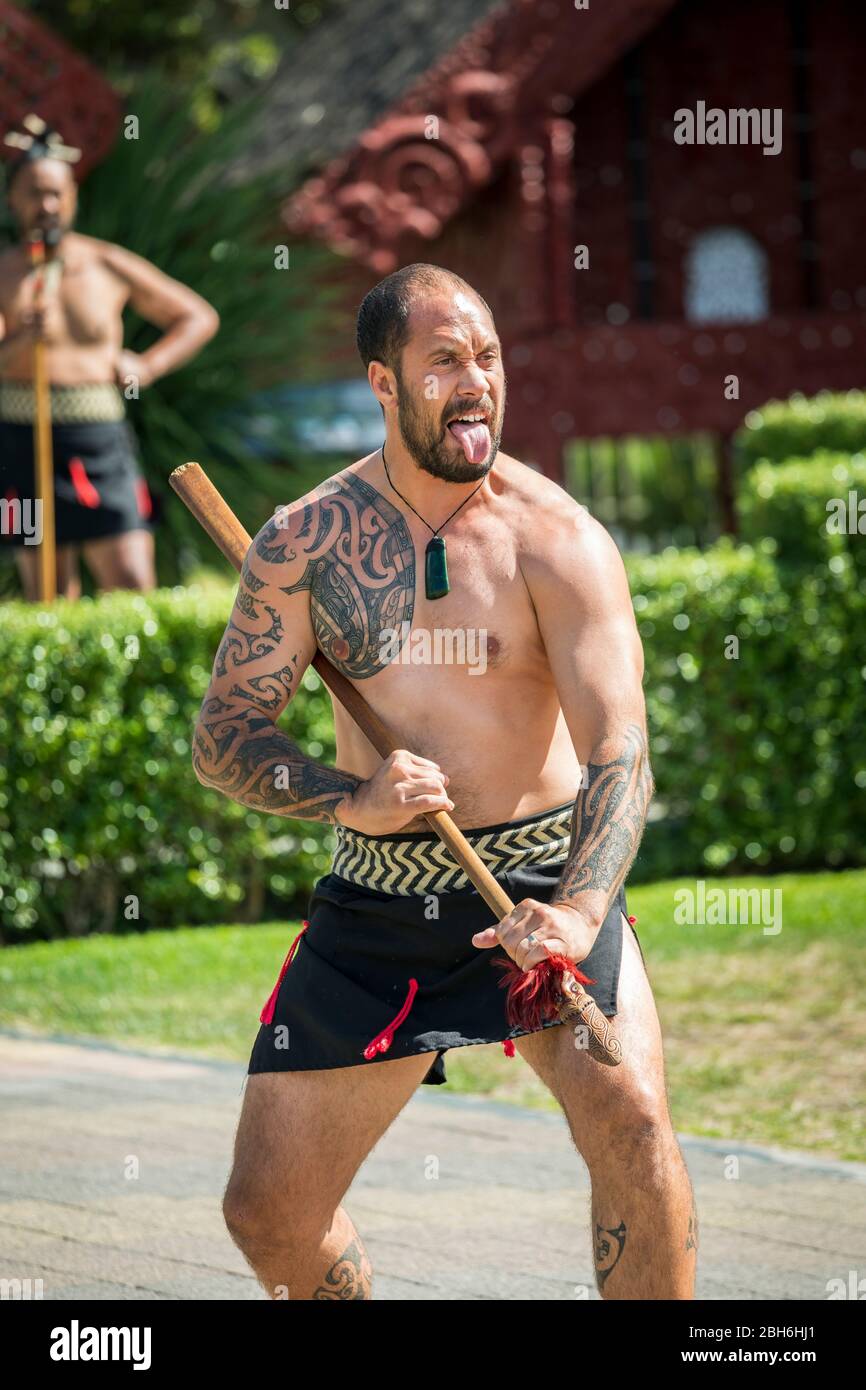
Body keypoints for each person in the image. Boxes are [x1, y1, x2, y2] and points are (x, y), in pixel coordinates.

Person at [193, 262, 697, 1300]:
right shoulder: (304, 543)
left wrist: (579, 908)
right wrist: (348, 797)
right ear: (381, 383)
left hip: (541, 885)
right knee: (265, 1209)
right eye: (443, 362)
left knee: (633, 1123)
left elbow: (619, 747)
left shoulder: (555, 539)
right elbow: (224, 736)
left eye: (487, 357)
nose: (476, 382)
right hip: (378, 896)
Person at [0, 115, 219, 599]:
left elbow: (196, 316)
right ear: (14, 200)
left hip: (97, 438)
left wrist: (147, 365)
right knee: (47, 596)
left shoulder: (106, 263)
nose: (47, 205)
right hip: (19, 443)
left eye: (57, 193)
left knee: (131, 581)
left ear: (73, 199)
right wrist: (19, 342)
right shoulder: (3, 275)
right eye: (35, 193)